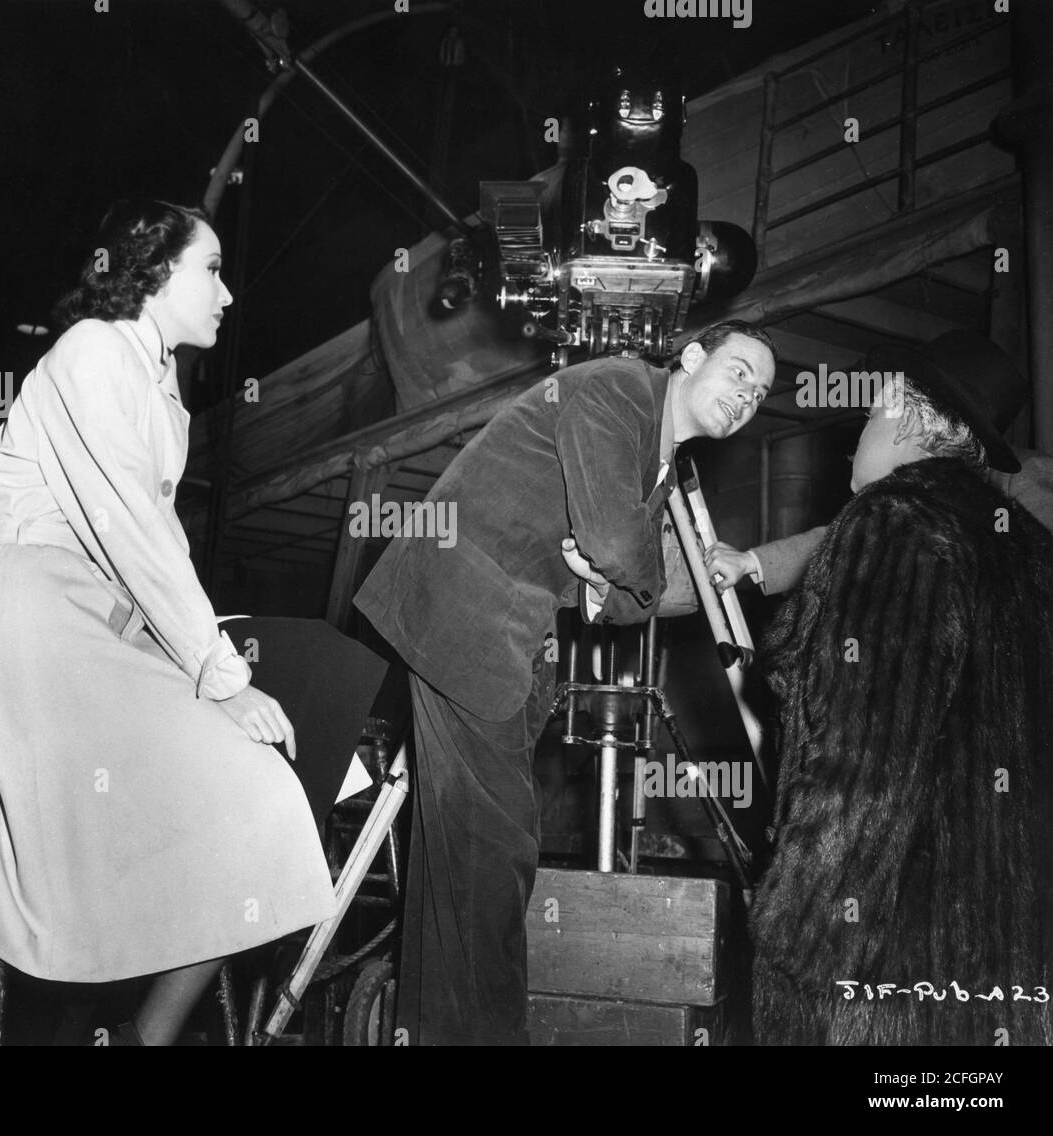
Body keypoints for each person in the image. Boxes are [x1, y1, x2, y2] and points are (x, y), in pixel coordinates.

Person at [0, 200, 334, 1045]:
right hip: (35, 614)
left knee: (252, 799)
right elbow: (134, 531)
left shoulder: (156, 381)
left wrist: (203, 660)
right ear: (153, 272)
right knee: (241, 783)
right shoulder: (92, 353)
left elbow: (142, 549)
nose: (227, 295)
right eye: (212, 268)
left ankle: (141, 1038)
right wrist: (219, 675)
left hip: (93, 613)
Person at [353, 320, 777, 1045]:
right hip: (463, 614)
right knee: (496, 848)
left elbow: (619, 598)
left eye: (762, 394)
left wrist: (618, 582)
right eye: (739, 372)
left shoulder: (662, 463)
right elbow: (617, 552)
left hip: (497, 632)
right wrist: (624, 577)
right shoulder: (619, 386)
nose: (748, 398)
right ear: (693, 356)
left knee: (466, 849)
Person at [749, 334, 1053, 1046]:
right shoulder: (1032, 552)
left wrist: (792, 933)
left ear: (892, 402)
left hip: (892, 986)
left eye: (864, 413)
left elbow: (865, 763)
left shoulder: (895, 521)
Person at [702, 332, 1053, 594]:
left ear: (908, 422)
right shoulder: (915, 514)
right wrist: (753, 562)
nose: (861, 436)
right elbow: (845, 539)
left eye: (873, 415)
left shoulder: (1016, 493)